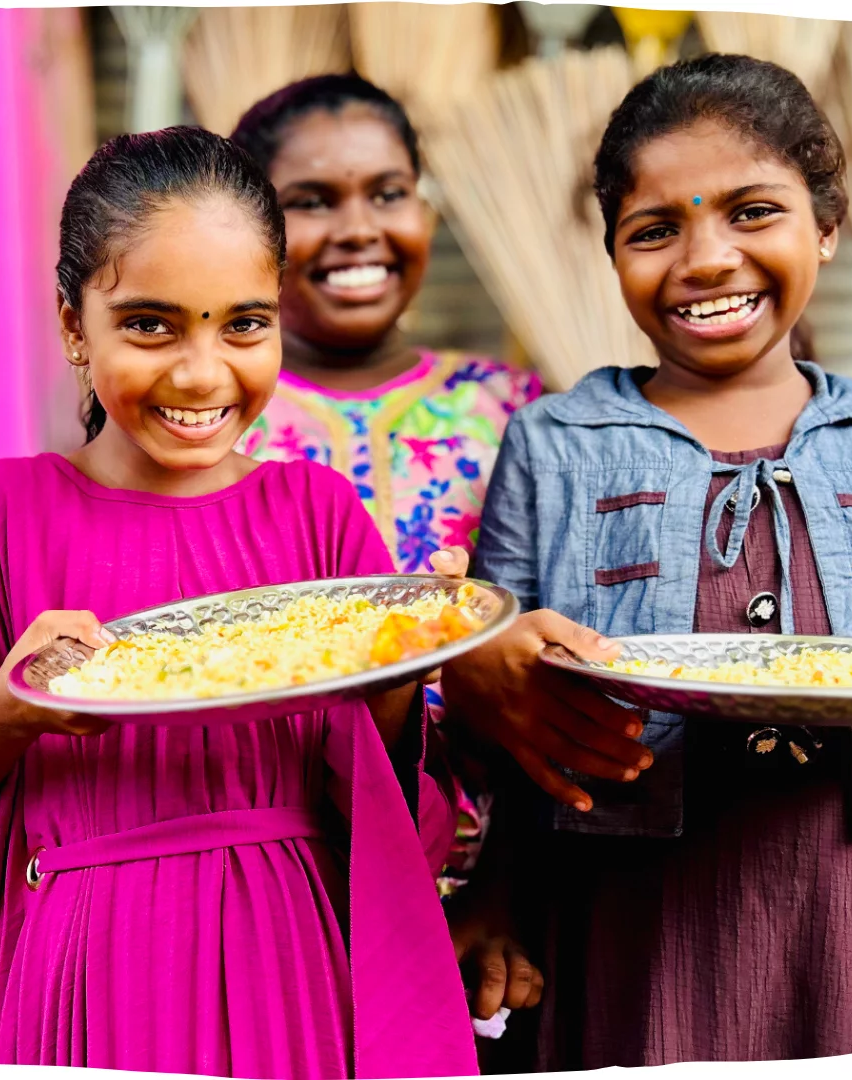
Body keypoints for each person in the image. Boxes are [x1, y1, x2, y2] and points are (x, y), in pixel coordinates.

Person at [0, 126, 477, 1078]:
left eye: (243, 323)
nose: (202, 374)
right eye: (151, 325)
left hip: (291, 962)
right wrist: (9, 711)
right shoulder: (5, 512)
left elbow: (385, 782)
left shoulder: (314, 513)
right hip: (80, 970)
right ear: (76, 325)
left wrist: (411, 654)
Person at [440, 55, 852, 1068]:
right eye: (656, 229)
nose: (703, 257)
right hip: (625, 913)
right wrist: (497, 891)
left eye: (752, 211)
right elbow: (505, 715)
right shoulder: (553, 443)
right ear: (612, 254)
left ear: (827, 226)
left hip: (851, 907)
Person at [229, 78, 545, 1016]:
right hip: (280, 881)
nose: (358, 227)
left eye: (388, 191)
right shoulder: (211, 424)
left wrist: (506, 888)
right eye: (312, 202)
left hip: (488, 890)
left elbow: (558, 670)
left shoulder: (517, 411)